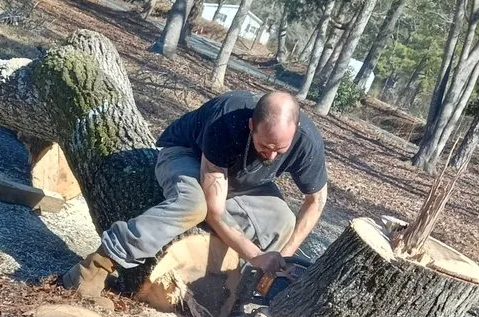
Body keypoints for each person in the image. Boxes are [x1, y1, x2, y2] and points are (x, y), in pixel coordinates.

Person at [63, 89, 328, 298]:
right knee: (193, 205)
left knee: (283, 220)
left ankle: (240, 289)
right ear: (251, 125)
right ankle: (96, 266)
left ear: (295, 132)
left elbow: (316, 201)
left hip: (238, 179)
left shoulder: (307, 142)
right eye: (265, 146)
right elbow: (214, 210)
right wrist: (255, 254)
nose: (271, 156)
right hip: (187, 156)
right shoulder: (228, 119)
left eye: (280, 150)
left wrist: (283, 258)